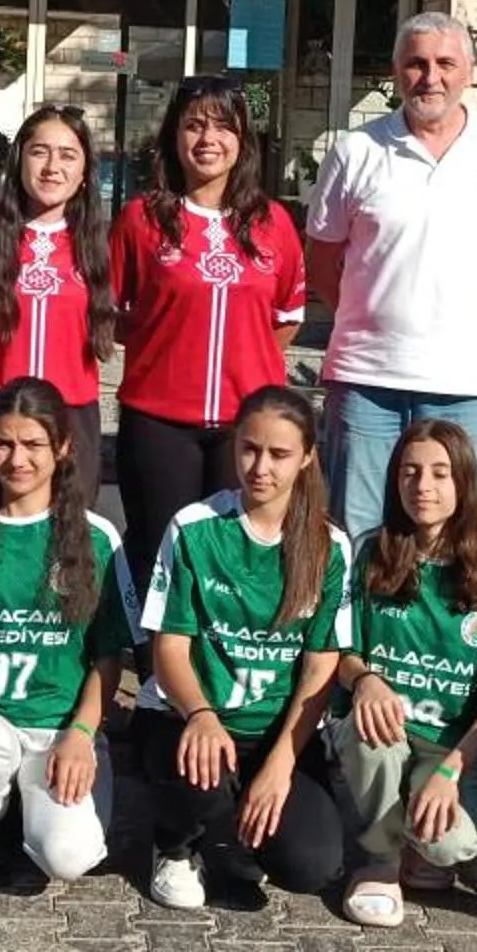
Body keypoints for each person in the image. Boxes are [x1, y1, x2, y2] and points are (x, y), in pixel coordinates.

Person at [306, 11, 477, 533]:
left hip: (467, 384)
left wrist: (467, 316)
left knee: (450, 536)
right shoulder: (355, 151)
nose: (430, 77)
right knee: (359, 531)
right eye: (416, 64)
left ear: (469, 72)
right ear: (397, 72)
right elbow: (322, 257)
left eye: (444, 63)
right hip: (367, 379)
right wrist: (369, 314)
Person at [137, 385, 354, 912]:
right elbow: (169, 646)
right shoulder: (195, 527)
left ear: (306, 458)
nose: (260, 467)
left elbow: (321, 666)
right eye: (249, 449)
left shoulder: (329, 546)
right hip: (189, 716)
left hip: (273, 732)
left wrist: (282, 761)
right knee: (203, 779)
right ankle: (174, 846)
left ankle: (238, 835)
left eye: (279, 454)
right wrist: (202, 715)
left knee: (311, 866)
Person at [0, 375, 134, 889]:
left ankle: (44, 806)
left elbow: (108, 657)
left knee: (66, 858)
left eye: (33, 444)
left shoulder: (96, 537)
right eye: (3, 443)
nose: (17, 459)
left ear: (61, 448)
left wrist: (83, 733)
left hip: (59, 733)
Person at [110, 74, 309, 598]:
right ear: (173, 135)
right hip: (158, 420)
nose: (207, 140)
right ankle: (156, 668)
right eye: (194, 125)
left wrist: (245, 361)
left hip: (246, 426)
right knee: (159, 554)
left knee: (234, 555)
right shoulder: (140, 219)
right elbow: (117, 313)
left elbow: (286, 319)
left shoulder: (274, 223)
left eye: (223, 127)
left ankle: (219, 667)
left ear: (243, 141)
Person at [330, 419, 477, 929]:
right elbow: (341, 649)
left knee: (452, 844)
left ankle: (412, 824)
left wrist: (452, 772)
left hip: (448, 745)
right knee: (375, 739)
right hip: (383, 727)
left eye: (439, 473)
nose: (423, 487)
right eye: (410, 472)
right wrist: (365, 680)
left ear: (463, 483)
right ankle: (380, 860)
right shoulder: (371, 552)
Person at [0, 105, 117, 511]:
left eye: (67, 155)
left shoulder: (103, 247)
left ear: (85, 172)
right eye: (40, 152)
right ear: (19, 159)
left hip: (72, 413)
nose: (52, 166)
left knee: (67, 541)